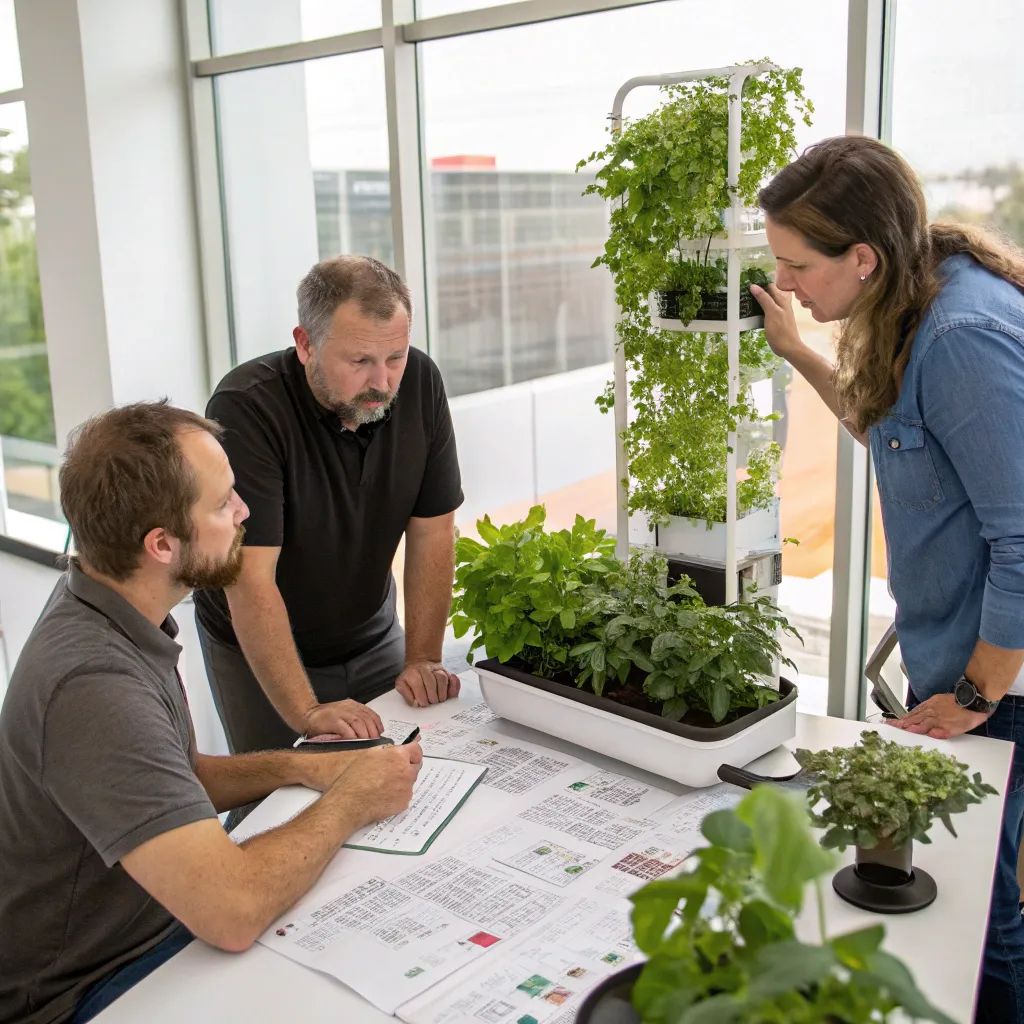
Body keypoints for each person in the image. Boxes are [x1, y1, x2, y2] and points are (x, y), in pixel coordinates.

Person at [0, 402, 423, 1024]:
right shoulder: (94, 685)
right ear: (162, 544)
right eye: (224, 503)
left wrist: (310, 771)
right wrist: (352, 799)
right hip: (90, 989)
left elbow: (181, 779)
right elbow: (231, 911)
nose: (244, 511)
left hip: (158, 927)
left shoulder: (109, 603)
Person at [752, 134, 1024, 1023]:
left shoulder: (960, 337)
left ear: (861, 257)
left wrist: (977, 695)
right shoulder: (916, 295)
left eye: (798, 267)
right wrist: (797, 351)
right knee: (969, 885)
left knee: (985, 910)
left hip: (999, 675)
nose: (786, 284)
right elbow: (896, 435)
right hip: (964, 659)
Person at [193, 255, 464, 754]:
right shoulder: (246, 407)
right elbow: (251, 581)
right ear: (305, 345)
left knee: (400, 774)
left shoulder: (421, 381)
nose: (382, 382)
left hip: (371, 630)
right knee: (275, 799)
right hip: (261, 647)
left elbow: (433, 531)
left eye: (395, 357)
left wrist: (423, 656)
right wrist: (308, 712)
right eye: (359, 362)